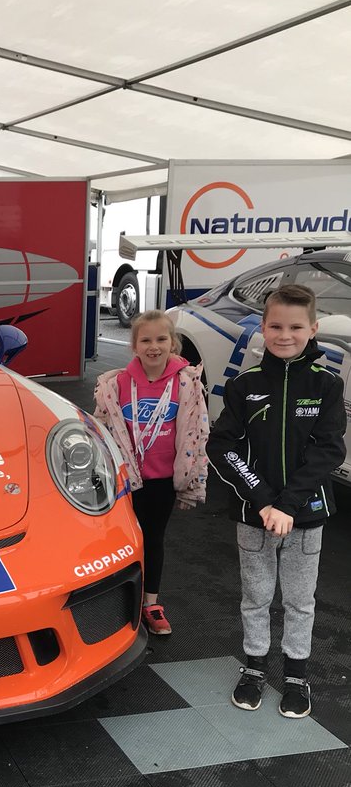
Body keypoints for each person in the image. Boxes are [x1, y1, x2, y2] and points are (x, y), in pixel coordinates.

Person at [207, 284, 346, 718]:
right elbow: (222, 447)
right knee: (256, 596)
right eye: (276, 326)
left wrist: (288, 505)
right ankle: (253, 670)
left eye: (295, 327)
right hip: (255, 516)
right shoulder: (245, 385)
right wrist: (264, 501)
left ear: (313, 328)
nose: (285, 335)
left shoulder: (326, 385)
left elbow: (329, 451)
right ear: (262, 327)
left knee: (301, 601)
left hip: (305, 518)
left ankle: (296, 677)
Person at [94, 310, 209, 635]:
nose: (154, 346)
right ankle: (116, 602)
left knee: (153, 540)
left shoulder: (186, 382)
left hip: (162, 482)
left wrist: (193, 481)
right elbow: (101, 428)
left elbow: (197, 433)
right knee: (120, 542)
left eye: (161, 339)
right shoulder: (117, 384)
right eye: (146, 339)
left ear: (173, 343)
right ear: (134, 345)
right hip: (125, 481)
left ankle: (150, 603)